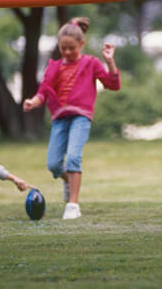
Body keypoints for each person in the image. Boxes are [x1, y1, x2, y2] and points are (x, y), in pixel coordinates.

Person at [23, 16, 120, 220]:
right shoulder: (54, 67)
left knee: (74, 158)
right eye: (63, 48)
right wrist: (33, 101)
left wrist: (109, 61)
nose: (67, 53)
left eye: (71, 48)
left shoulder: (91, 63)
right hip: (60, 118)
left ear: (81, 44)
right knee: (54, 165)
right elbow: (44, 92)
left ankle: (73, 205)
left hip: (81, 117)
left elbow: (112, 84)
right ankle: (68, 181)